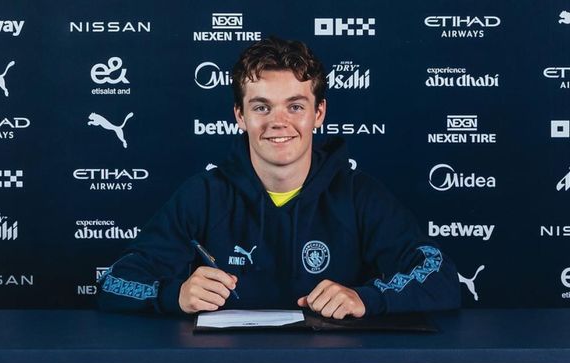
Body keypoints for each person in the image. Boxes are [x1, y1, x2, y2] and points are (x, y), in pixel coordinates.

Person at [97, 36, 460, 318]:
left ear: (319, 113)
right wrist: (173, 294)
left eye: (295, 106)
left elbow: (440, 276)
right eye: (261, 107)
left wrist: (367, 298)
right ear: (240, 116)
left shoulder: (357, 194)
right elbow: (114, 282)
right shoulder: (204, 195)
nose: (278, 122)